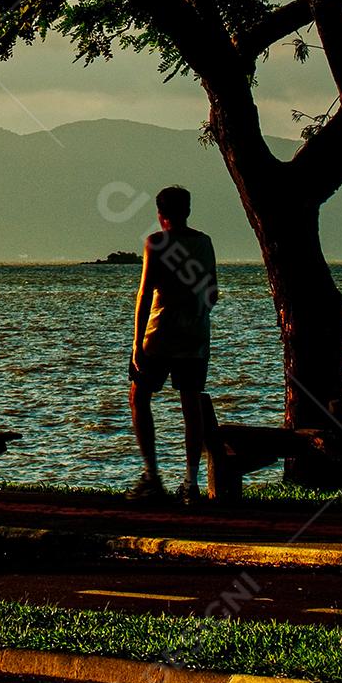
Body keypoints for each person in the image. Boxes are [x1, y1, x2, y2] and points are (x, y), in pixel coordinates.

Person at [128, 185, 218, 506]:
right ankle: (191, 483)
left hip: (160, 335)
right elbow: (213, 294)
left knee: (139, 397)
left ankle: (152, 475)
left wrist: (137, 343)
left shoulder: (157, 243)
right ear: (188, 210)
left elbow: (144, 295)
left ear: (160, 214)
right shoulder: (204, 243)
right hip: (195, 336)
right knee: (190, 406)